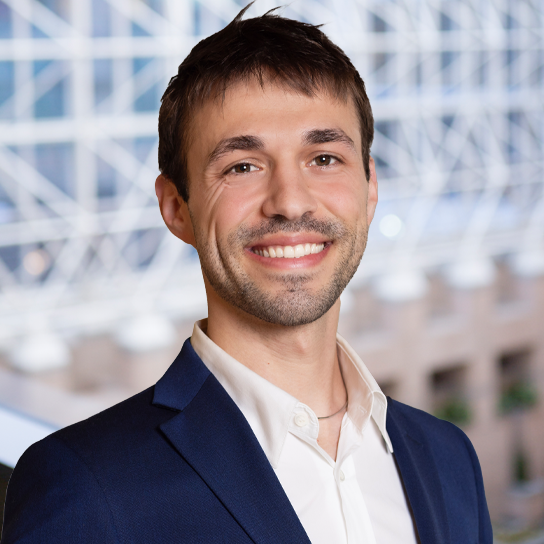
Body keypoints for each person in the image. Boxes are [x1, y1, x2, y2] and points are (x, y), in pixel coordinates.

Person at [2, 5, 492, 544]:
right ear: (177, 208)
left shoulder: (449, 457)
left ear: (370, 187)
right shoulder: (86, 488)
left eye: (324, 158)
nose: (290, 202)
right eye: (242, 166)